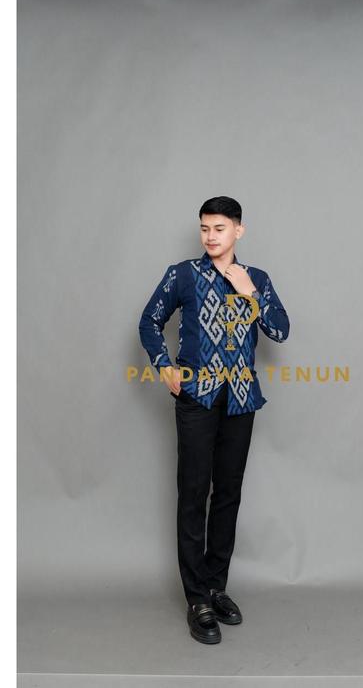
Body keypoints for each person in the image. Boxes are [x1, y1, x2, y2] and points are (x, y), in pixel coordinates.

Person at [138, 195, 290, 644]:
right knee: (193, 494)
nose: (210, 236)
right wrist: (164, 365)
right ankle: (196, 600)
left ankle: (215, 587)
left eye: (219, 228)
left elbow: (280, 330)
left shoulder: (256, 278)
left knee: (227, 495)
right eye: (205, 228)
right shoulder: (182, 275)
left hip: (241, 400)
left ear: (238, 230)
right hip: (197, 400)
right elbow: (149, 321)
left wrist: (249, 291)